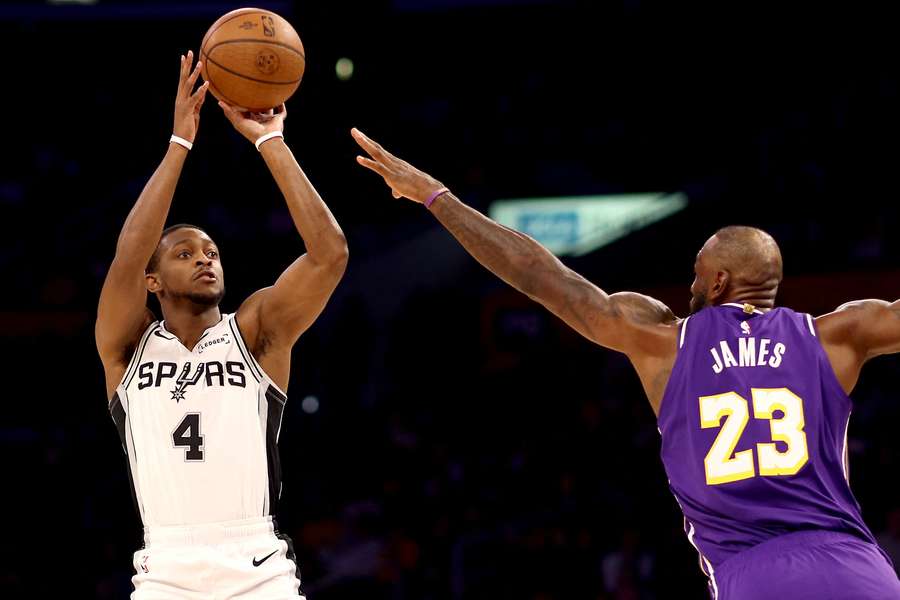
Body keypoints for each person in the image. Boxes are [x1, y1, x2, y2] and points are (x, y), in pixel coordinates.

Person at [351, 127, 900, 599]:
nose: (688, 285)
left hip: (755, 572)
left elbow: (543, 279)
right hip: (858, 568)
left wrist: (435, 198)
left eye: (694, 273)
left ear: (717, 282)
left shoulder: (664, 342)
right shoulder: (836, 335)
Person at [94, 51, 348, 599]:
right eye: (184, 254)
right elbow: (126, 257)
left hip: (257, 565)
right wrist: (179, 144)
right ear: (153, 281)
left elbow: (329, 254)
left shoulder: (255, 330)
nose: (205, 259)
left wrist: (270, 141)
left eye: (211, 251)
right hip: (164, 566)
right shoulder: (128, 346)